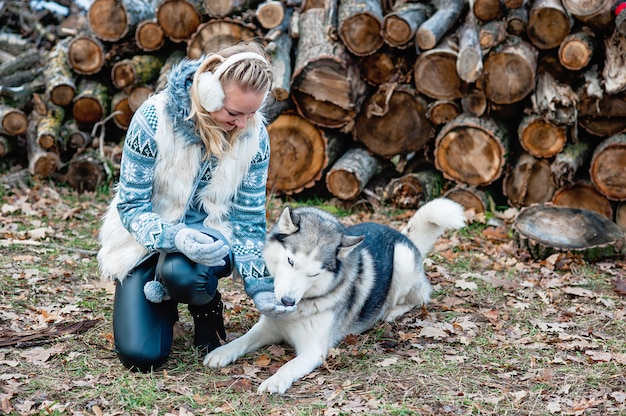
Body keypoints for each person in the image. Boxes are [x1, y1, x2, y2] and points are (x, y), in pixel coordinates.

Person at [97, 40, 295, 372]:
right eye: (234, 113)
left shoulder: (254, 135)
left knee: (185, 273)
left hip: (210, 239)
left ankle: (205, 305)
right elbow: (130, 206)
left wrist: (261, 288)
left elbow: (248, 221)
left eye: (252, 113)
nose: (244, 124)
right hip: (144, 240)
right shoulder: (153, 119)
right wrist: (175, 238)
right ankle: (163, 298)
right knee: (141, 357)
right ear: (207, 94)